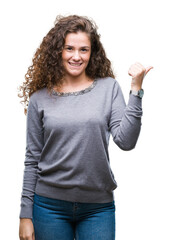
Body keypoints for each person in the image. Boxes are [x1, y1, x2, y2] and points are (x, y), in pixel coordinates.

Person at [18, 14, 153, 240]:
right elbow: (32, 158)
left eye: (84, 50)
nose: (76, 56)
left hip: (98, 208)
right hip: (48, 207)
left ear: (92, 53)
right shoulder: (39, 99)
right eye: (69, 48)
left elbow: (126, 141)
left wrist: (136, 90)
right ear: (58, 51)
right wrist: (25, 215)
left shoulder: (108, 88)